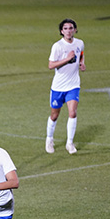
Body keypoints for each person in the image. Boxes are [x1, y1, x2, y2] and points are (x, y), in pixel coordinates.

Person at [45, 18, 86, 155]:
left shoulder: (79, 43)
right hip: (58, 87)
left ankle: (70, 142)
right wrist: (67, 59)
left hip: (73, 85)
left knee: (72, 112)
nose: (68, 31)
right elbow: (51, 65)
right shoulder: (57, 46)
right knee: (54, 115)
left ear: (75, 29)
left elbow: (80, 53)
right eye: (66, 28)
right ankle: (49, 139)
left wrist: (81, 63)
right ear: (61, 31)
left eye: (71, 28)